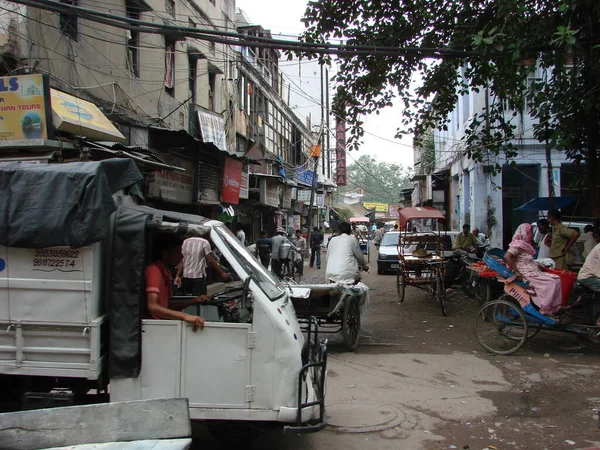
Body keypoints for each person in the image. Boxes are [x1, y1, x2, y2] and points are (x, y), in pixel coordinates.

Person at [145, 234, 209, 331]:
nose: (182, 256)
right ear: (165, 254)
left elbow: (167, 306)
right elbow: (152, 306)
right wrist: (184, 316)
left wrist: (194, 300)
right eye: (178, 253)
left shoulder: (165, 273)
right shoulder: (154, 271)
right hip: (154, 328)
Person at [504, 224, 562, 316]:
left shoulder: (525, 245)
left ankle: (554, 307)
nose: (531, 234)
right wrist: (516, 271)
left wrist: (537, 265)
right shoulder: (517, 244)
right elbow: (507, 257)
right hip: (526, 274)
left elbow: (525, 259)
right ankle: (544, 309)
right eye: (529, 231)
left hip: (534, 271)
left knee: (557, 279)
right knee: (550, 282)